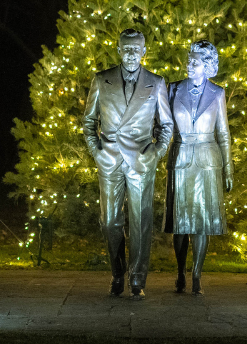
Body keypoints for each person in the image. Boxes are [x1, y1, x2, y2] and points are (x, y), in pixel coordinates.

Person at [82, 28, 173, 300]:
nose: (132, 54)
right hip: (109, 159)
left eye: (137, 49)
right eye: (127, 48)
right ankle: (117, 272)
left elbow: (166, 124)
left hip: (141, 160)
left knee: (141, 222)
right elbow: (89, 122)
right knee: (109, 221)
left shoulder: (156, 83)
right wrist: (96, 152)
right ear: (118, 50)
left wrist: (156, 153)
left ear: (145, 51)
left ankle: (137, 278)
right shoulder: (102, 80)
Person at [163, 40, 232, 295]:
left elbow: (223, 133)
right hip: (180, 157)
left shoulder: (217, 93)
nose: (189, 65)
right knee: (180, 223)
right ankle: (180, 272)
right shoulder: (173, 89)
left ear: (207, 65)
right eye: (189, 60)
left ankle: (197, 275)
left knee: (202, 223)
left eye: (195, 61)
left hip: (207, 160)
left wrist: (229, 168)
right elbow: (163, 126)